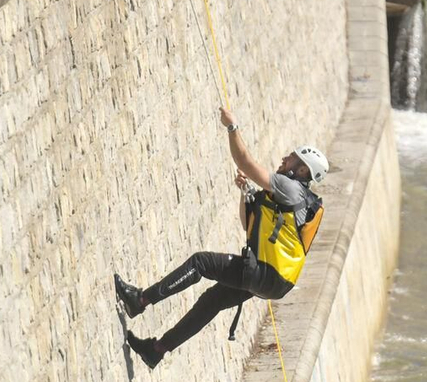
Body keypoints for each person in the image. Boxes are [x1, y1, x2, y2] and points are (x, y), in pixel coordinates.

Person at [115, 106, 327, 368]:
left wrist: (232, 126)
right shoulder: (292, 200)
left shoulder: (290, 188)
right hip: (275, 282)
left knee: (201, 263)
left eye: (292, 158)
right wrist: (244, 193)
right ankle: (156, 350)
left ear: (303, 171)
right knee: (212, 300)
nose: (285, 158)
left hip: (266, 274)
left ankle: (140, 300)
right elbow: (247, 226)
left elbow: (245, 162)